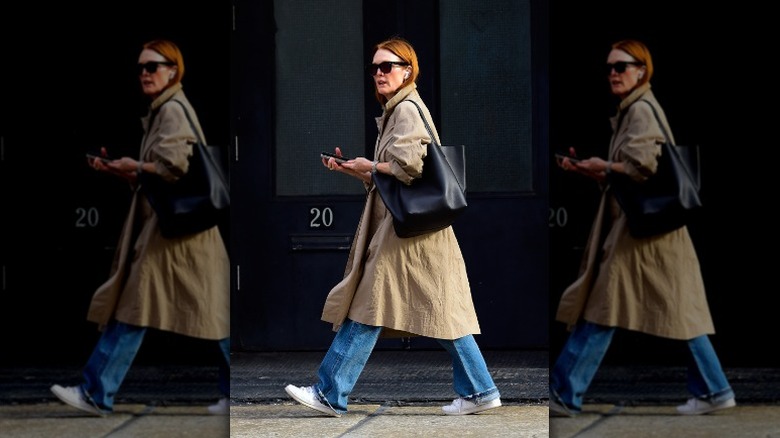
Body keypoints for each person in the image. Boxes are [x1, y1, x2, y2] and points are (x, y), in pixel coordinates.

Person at [284, 37, 501, 417]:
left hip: (405, 234)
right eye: (375, 68)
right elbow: (394, 176)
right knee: (441, 309)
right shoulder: (397, 110)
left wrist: (369, 165)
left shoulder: (406, 111)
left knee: (369, 306)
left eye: (388, 66)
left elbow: (410, 166)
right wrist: (358, 170)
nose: (380, 74)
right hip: (415, 233)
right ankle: (481, 391)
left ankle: (329, 392)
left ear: (408, 70)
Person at [550, 39, 735, 417]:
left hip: (641, 231)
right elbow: (634, 171)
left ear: (642, 70)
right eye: (610, 68)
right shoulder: (635, 108)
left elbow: (644, 165)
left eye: (622, 66)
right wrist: (594, 169)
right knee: (680, 309)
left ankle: (564, 393)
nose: (614, 74)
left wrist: (603, 165)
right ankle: (715, 390)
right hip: (651, 232)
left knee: (604, 307)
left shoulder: (641, 111)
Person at [50, 39, 230, 416]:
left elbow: (175, 166)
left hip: (173, 234)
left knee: (136, 308)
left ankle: (96, 392)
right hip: (180, 235)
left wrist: (133, 165)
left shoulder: (172, 111)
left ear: (173, 70)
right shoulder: (166, 108)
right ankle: (230, 392)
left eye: (153, 66)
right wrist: (125, 170)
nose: (145, 74)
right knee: (210, 309)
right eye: (141, 68)